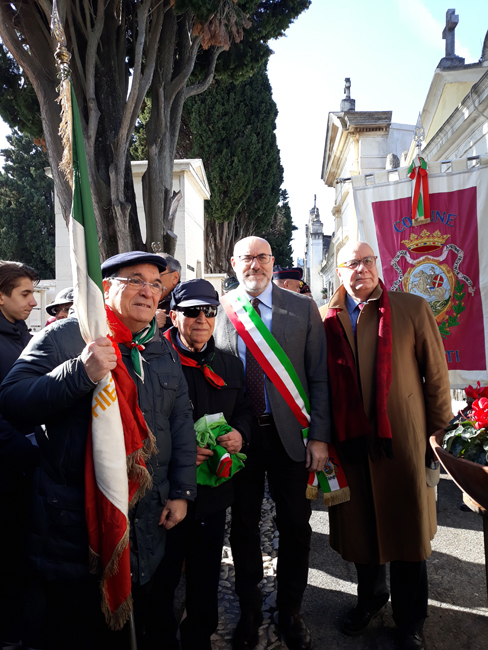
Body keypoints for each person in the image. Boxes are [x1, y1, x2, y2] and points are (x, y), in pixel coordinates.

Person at [0, 251, 197, 650]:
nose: (148, 290)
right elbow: (13, 400)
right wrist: (79, 372)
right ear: (107, 287)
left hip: (146, 527)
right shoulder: (65, 336)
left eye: (156, 283)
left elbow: (180, 422)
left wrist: (182, 491)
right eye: (135, 279)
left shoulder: (159, 347)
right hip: (74, 533)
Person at [320, 241, 452, 650]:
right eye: (351, 264)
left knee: (408, 533)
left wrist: (438, 433)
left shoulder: (411, 308)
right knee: (363, 533)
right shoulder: (326, 318)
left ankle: (411, 619)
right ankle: (371, 599)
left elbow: (437, 374)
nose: (360, 269)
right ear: (338, 273)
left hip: (404, 445)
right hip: (350, 447)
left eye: (367, 261)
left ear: (377, 265)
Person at [213, 237, 331, 650]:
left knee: (296, 526)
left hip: (291, 438)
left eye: (262, 257)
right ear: (234, 263)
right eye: (247, 257)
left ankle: (290, 609)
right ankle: (248, 609)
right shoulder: (221, 310)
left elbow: (318, 377)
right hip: (241, 438)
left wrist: (319, 436)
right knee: (243, 526)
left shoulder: (302, 308)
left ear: (272, 261)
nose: (255, 264)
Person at [146, 278, 252, 650]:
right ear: (174, 315)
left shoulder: (229, 363)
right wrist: (178, 453)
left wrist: (240, 435)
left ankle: (198, 639)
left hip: (212, 494)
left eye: (209, 311)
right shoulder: (153, 360)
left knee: (206, 575)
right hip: (167, 493)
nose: (202, 319)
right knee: (163, 577)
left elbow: (244, 412)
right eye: (192, 312)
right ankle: (160, 639)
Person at [0, 261, 41, 649]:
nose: (33, 300)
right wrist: (26, 450)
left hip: (27, 470)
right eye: (25, 293)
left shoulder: (23, 335)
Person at [155, 253, 181, 333]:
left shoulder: (184, 302)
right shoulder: (141, 295)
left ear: (175, 277)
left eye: (157, 275)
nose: (150, 280)